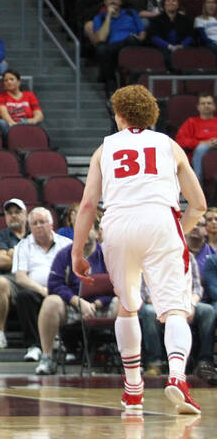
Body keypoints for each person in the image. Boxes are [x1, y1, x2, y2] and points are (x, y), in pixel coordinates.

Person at [72, 84, 207, 415]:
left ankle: (133, 390)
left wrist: (78, 252)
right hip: (160, 221)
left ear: (118, 114)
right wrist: (178, 232)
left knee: (128, 308)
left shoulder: (104, 150)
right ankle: (176, 377)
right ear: (150, 115)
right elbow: (200, 204)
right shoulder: (168, 144)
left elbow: (89, 203)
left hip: (117, 226)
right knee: (175, 309)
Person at [35, 219, 111, 374]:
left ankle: (130, 360)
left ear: (97, 233)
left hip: (102, 306)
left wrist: (97, 303)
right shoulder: (64, 255)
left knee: (124, 304)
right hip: (72, 306)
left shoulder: (108, 255)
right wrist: (77, 301)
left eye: (88, 227)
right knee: (50, 302)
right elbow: (54, 284)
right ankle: (47, 357)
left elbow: (117, 287)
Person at [10, 206, 74, 364]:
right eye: (34, 223)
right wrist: (42, 289)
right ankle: (34, 346)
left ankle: (71, 346)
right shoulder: (22, 246)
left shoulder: (67, 244)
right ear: (29, 227)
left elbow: (73, 273)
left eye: (42, 222)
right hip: (37, 290)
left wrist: (58, 288)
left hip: (62, 289)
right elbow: (20, 277)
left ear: (51, 225)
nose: (38, 226)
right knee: (24, 297)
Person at [0, 198, 30, 349]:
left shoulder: (34, 234)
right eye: (9, 213)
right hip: (10, 278)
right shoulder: (1, 236)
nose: (13, 216)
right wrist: (27, 258)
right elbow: (0, 262)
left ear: (26, 214)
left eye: (17, 212)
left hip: (33, 277)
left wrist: (13, 254)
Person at [85, 0, 146, 88]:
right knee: (101, 48)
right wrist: (108, 16)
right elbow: (101, 38)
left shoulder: (131, 13)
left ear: (121, 1)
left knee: (131, 39)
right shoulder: (99, 18)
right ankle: (111, 81)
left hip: (131, 45)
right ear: (105, 2)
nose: (113, 1)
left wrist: (139, 38)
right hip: (113, 49)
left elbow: (142, 34)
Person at [177, 94, 217, 175]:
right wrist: (200, 143)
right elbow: (180, 140)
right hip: (199, 151)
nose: (206, 105)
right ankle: (198, 183)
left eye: (209, 103)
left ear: (214, 106)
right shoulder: (191, 122)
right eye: (203, 103)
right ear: (198, 107)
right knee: (201, 148)